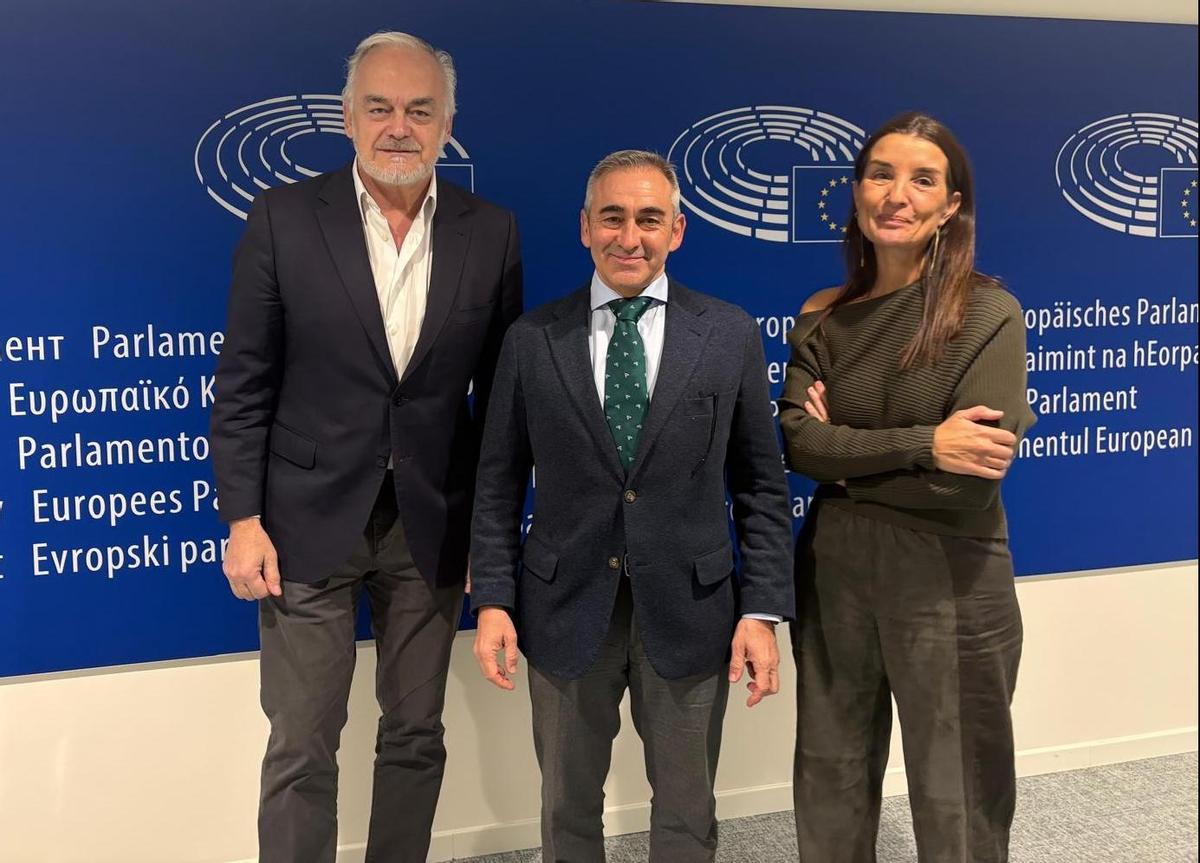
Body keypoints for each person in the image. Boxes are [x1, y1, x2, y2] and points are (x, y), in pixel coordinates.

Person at [208, 31, 522, 863]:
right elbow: (244, 380)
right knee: (303, 741)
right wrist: (242, 517)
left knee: (416, 732)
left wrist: (487, 544)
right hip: (302, 523)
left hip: (431, 526)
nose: (399, 127)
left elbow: (499, 408)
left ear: (447, 123)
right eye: (379, 107)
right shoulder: (282, 218)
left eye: (420, 111)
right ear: (347, 118)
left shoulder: (490, 233)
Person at [469, 150, 794, 862]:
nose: (630, 236)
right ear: (585, 227)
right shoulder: (531, 341)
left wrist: (762, 609)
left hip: (692, 607)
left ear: (677, 230)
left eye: (650, 219)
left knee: (686, 810)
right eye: (612, 217)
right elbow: (495, 483)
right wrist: (493, 598)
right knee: (565, 809)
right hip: (562, 607)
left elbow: (761, 485)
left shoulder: (729, 333)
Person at [779, 111, 1036, 863]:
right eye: (881, 174)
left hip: (949, 569)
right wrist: (927, 442)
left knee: (957, 786)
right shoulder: (820, 314)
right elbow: (800, 444)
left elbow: (965, 484)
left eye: (923, 179)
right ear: (857, 191)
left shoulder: (989, 313)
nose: (897, 194)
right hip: (835, 566)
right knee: (828, 772)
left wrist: (848, 457)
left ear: (950, 206)